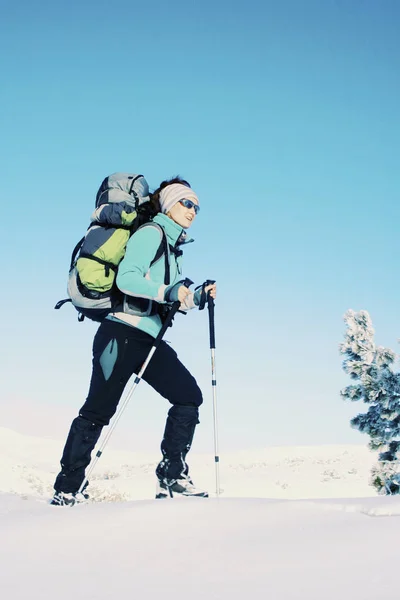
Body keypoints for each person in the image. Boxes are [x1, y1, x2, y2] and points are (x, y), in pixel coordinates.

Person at [51, 177, 216, 505]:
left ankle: (171, 477)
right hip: (121, 333)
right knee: (98, 410)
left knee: (188, 396)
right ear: (169, 204)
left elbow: (174, 297)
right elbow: (127, 278)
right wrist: (167, 291)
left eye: (197, 206)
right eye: (186, 203)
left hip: (149, 338)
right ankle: (67, 488)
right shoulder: (150, 234)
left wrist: (197, 296)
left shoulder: (173, 248)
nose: (193, 211)